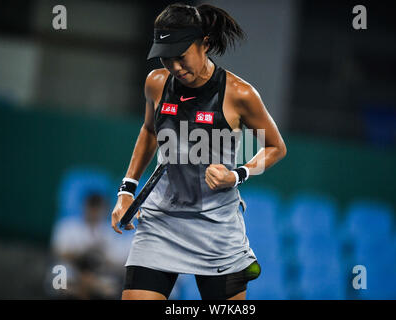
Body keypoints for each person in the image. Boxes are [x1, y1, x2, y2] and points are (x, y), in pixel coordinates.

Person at [111, 3, 287, 300]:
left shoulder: (240, 94)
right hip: (161, 223)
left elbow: (275, 147)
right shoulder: (156, 83)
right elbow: (149, 132)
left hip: (217, 230)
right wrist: (126, 190)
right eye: (166, 59)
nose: (175, 67)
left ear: (204, 44)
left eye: (180, 57)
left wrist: (236, 175)